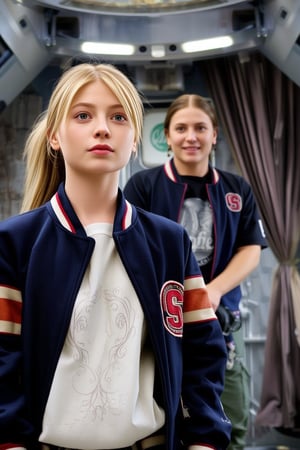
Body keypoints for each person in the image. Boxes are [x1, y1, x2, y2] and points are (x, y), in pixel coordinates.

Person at [0, 64, 231, 450]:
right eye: (83, 115)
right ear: (55, 135)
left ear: (135, 138)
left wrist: (204, 442)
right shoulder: (14, 243)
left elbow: (202, 353)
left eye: (119, 116)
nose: (103, 128)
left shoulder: (170, 242)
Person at [124, 94, 267, 450]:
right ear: (167, 136)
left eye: (200, 127)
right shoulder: (143, 187)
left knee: (229, 419)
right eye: (181, 128)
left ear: (214, 134)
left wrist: (211, 292)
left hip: (220, 322)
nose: (192, 136)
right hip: (158, 324)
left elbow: (250, 250)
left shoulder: (238, 190)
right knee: (158, 423)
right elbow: (130, 251)